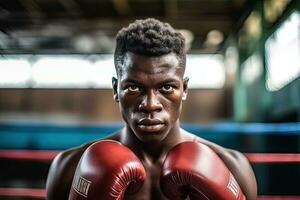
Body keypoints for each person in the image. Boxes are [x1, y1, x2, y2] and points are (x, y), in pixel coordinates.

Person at [46, 18, 257, 200]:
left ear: (184, 89)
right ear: (115, 89)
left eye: (166, 87)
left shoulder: (232, 167)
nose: (149, 104)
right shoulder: (70, 167)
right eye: (134, 87)